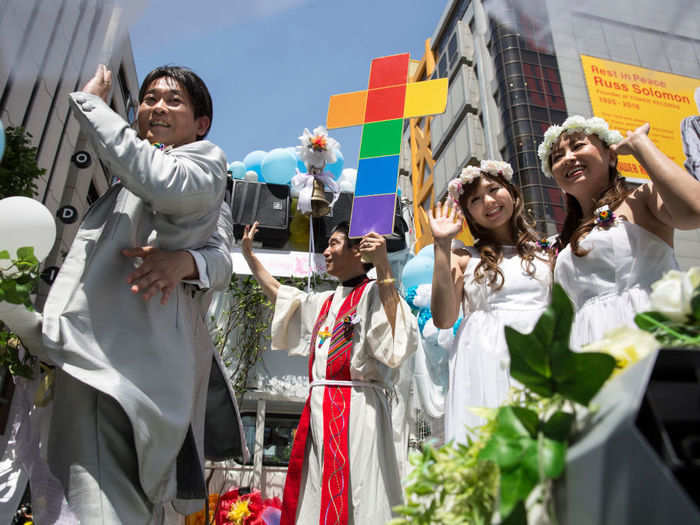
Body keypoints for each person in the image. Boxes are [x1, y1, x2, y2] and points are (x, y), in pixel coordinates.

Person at [0, 64, 244, 524]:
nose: (157, 107)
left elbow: (219, 257)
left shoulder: (203, 163)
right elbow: (137, 169)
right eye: (149, 99)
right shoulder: (121, 189)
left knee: (110, 503)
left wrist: (186, 263)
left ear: (201, 125)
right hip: (97, 360)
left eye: (174, 101)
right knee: (104, 501)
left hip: (136, 369)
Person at [240, 220, 418, 525]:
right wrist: (249, 257)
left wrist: (384, 265)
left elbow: (397, 340)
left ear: (357, 250)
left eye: (334, 243)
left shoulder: (376, 293)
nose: (326, 251)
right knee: (316, 492)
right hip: (321, 410)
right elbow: (282, 297)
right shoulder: (324, 302)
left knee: (363, 492)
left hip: (360, 409)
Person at [538, 115, 700, 349]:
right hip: (588, 346)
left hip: (649, 332)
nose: (568, 158)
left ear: (611, 155)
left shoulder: (641, 198)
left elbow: (694, 210)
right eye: (557, 157)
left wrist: (640, 145)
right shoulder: (563, 241)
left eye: (577, 146)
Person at [429, 160, 552, 444]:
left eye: (494, 189)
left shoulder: (548, 252)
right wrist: (441, 245)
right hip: (486, 362)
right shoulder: (465, 257)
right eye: (475, 199)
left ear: (513, 193)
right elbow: (444, 318)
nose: (488, 201)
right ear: (469, 213)